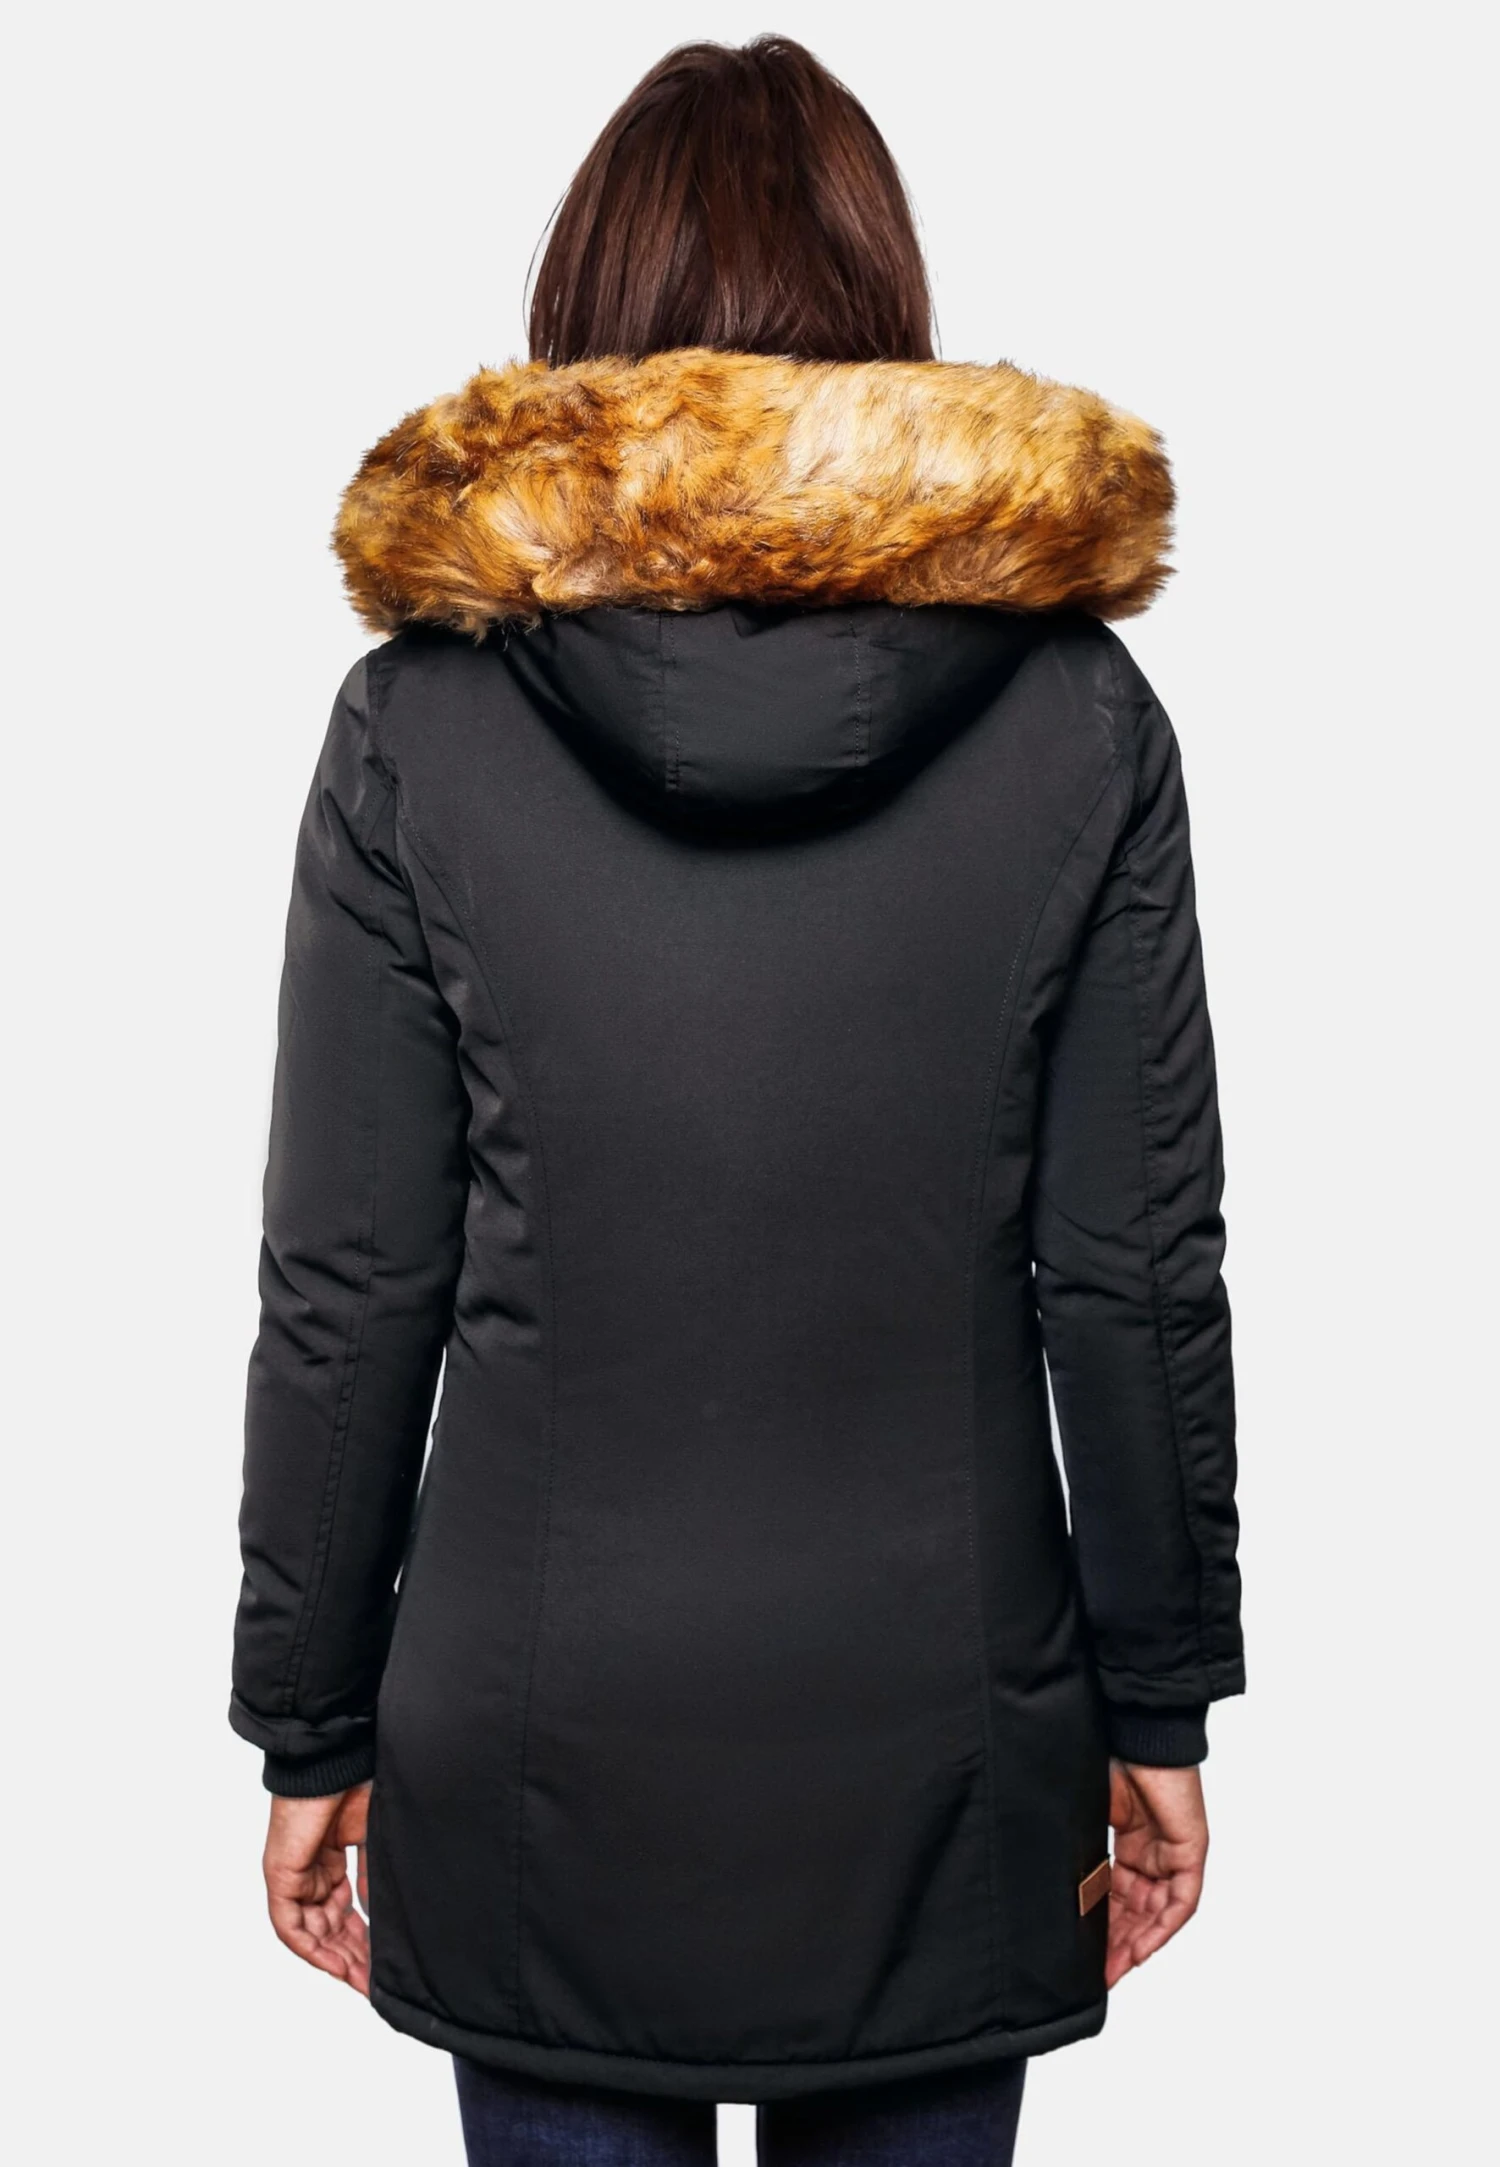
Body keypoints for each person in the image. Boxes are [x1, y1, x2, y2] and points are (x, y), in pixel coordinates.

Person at [231, 35, 1243, 2166]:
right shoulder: (1078, 719)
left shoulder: (416, 728)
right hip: (947, 1738)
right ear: (888, 310)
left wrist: (307, 1716)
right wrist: (1158, 1698)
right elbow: (1135, 1270)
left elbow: (351, 1282)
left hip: (536, 1743)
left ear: (581, 310)